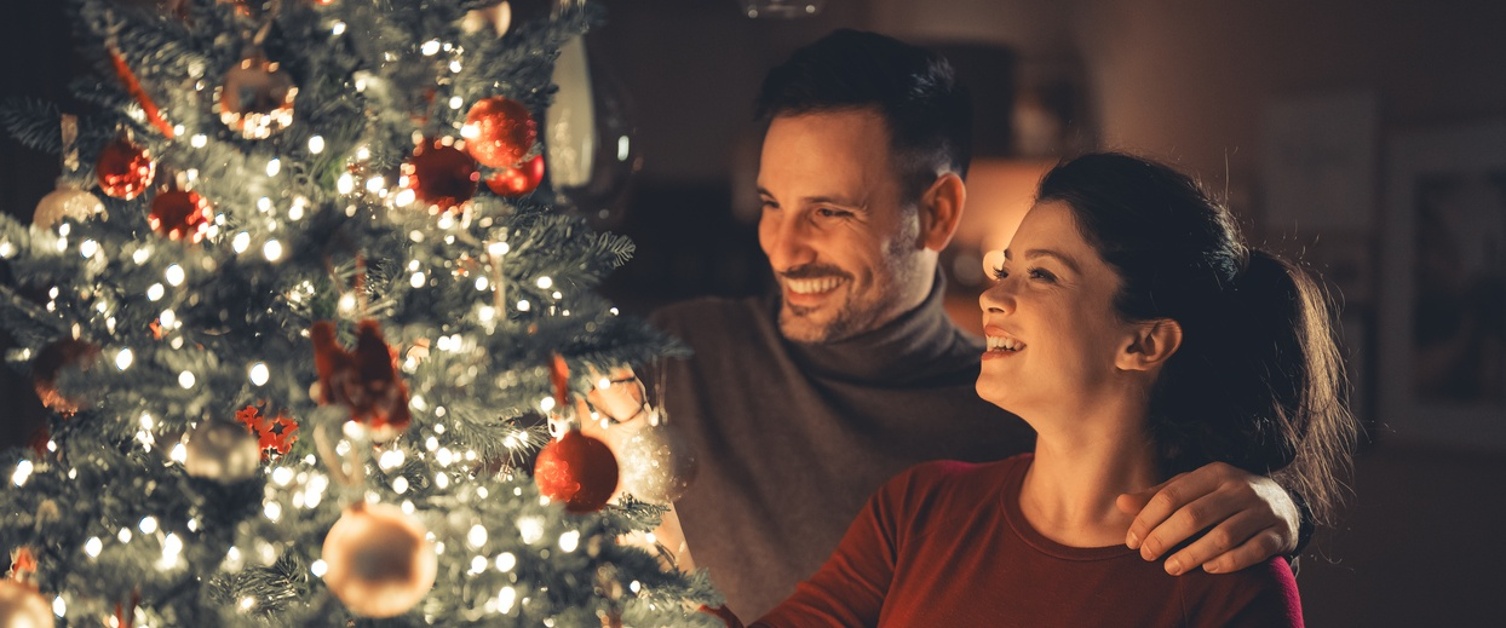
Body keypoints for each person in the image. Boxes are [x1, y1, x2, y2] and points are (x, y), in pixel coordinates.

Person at [588, 29, 1306, 619]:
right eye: (771, 204)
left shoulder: (1001, 411)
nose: (781, 245)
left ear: (936, 213)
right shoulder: (677, 358)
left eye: (830, 211)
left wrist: (1284, 506)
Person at [747, 152, 1358, 626]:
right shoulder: (918, 511)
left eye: (1041, 275)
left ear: (1143, 344)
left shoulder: (1225, 584)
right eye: (1005, 269)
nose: (992, 298)